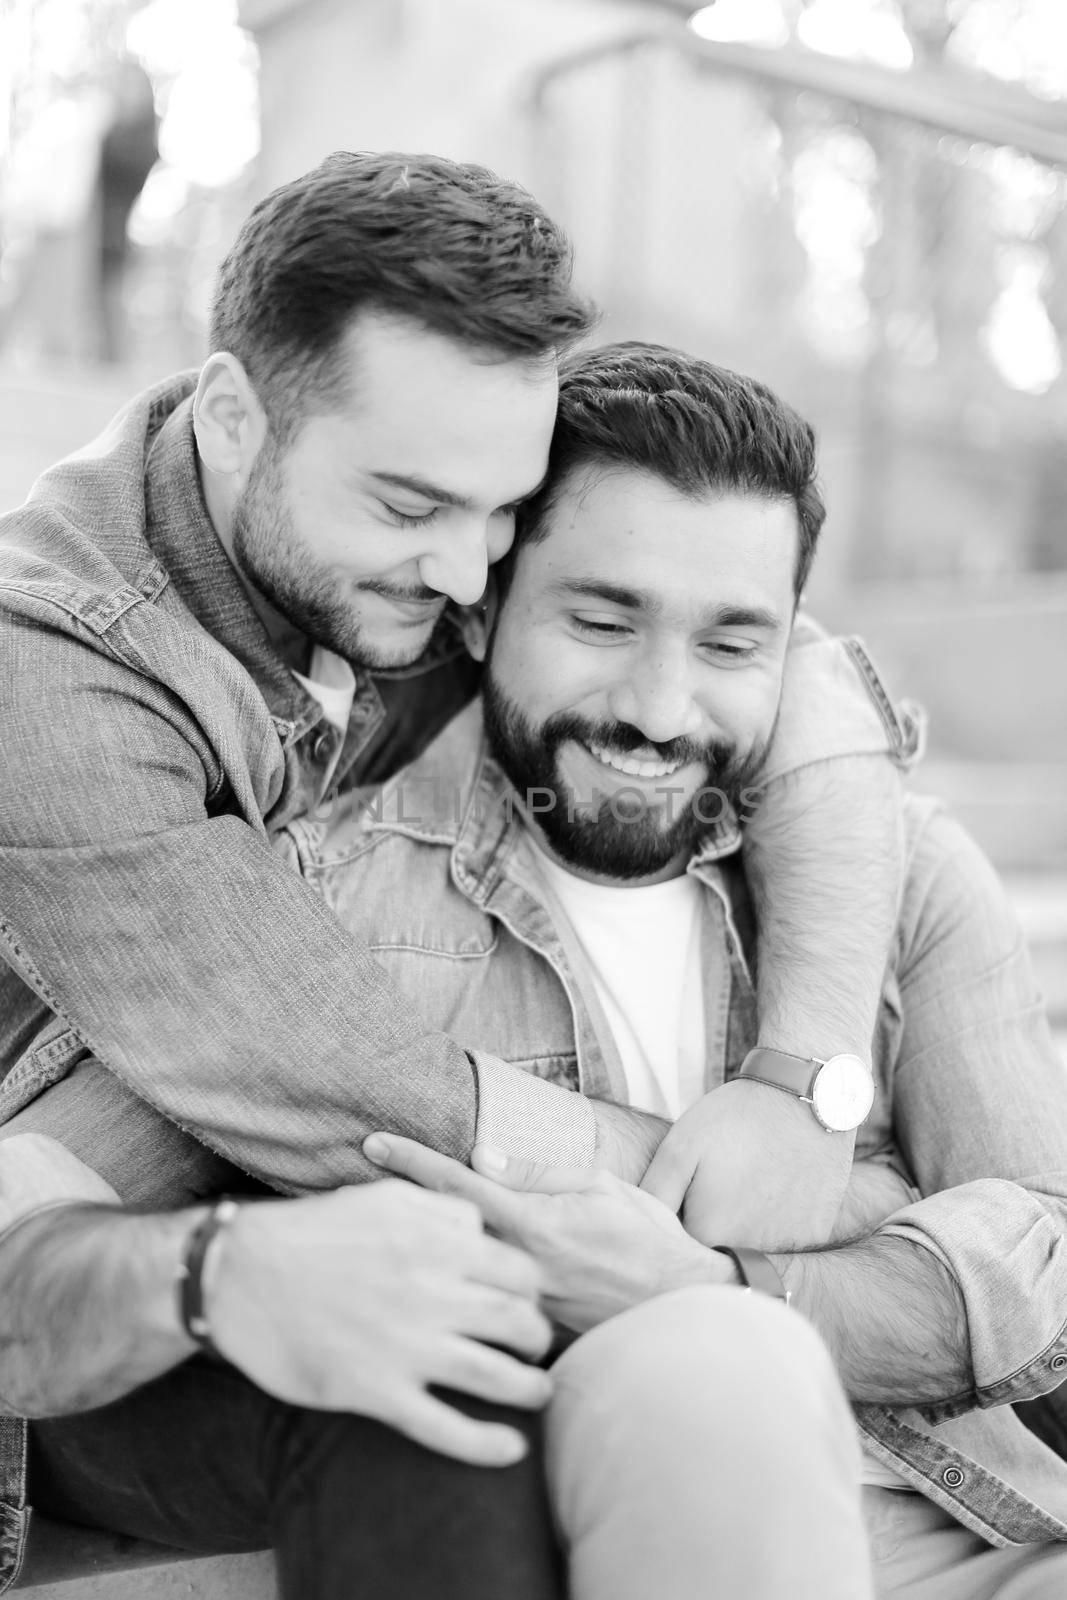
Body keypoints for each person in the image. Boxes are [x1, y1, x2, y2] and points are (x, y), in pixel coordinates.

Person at [0, 152, 913, 1590]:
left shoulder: (407, 518)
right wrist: (839, 1202)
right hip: (86, 1277)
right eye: (415, 507)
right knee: (448, 1383)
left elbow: (790, 670)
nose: (470, 576)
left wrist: (803, 1074)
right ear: (234, 417)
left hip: (349, 1230)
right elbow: (339, 1084)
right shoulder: (47, 676)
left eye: (500, 513)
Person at [271, 343, 1067, 1592]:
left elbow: (1043, 1251)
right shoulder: (343, 894)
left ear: (794, 647)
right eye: (600, 620)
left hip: (972, 1516)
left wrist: (724, 1276)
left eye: (730, 645)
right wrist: (879, 1211)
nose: (657, 705)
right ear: (482, 604)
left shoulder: (903, 870)